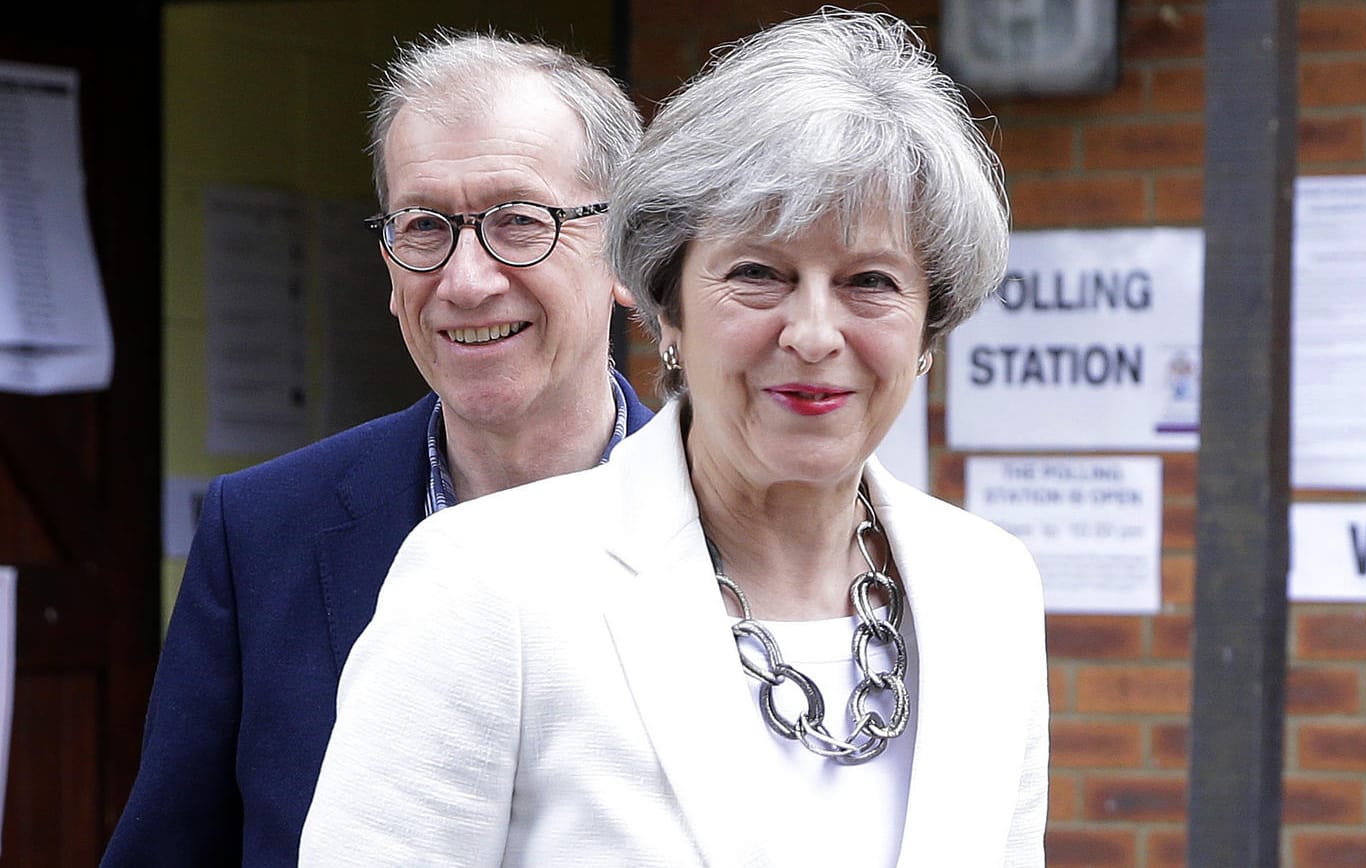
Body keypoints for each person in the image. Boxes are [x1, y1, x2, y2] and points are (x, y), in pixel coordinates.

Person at [300, 10, 1047, 866]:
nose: (811, 332)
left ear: (926, 330)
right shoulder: (486, 583)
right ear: (668, 312)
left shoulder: (987, 589)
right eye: (757, 274)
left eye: (868, 281)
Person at [102, 31, 651, 867]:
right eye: (425, 226)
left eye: (518, 221)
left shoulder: (734, 527)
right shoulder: (261, 530)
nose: (466, 282)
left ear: (624, 250)